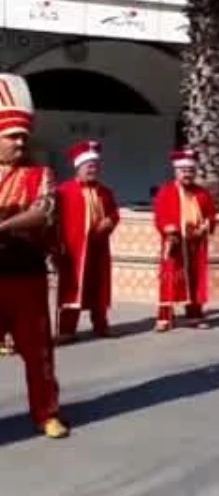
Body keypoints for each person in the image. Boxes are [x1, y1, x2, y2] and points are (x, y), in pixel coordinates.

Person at [0, 73, 69, 438]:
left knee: (38, 350)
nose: (20, 142)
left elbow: (44, 210)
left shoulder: (40, 174)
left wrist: (4, 226)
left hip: (25, 275)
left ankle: (46, 412)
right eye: (12, 136)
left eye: (23, 136)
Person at [55, 140, 119, 343]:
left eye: (95, 166)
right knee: (71, 289)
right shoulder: (64, 191)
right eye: (89, 166)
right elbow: (55, 219)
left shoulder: (105, 192)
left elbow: (114, 213)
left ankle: (100, 325)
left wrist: (109, 221)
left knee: (99, 287)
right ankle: (67, 329)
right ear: (78, 167)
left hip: (98, 248)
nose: (93, 169)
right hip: (74, 249)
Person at [153, 149, 217, 332]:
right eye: (183, 171)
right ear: (176, 172)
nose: (187, 174)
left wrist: (206, 225)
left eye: (190, 170)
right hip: (175, 243)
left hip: (195, 244)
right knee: (170, 279)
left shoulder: (202, 193)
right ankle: (164, 317)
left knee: (195, 280)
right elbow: (160, 216)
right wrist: (169, 229)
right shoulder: (166, 192)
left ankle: (195, 315)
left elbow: (211, 215)